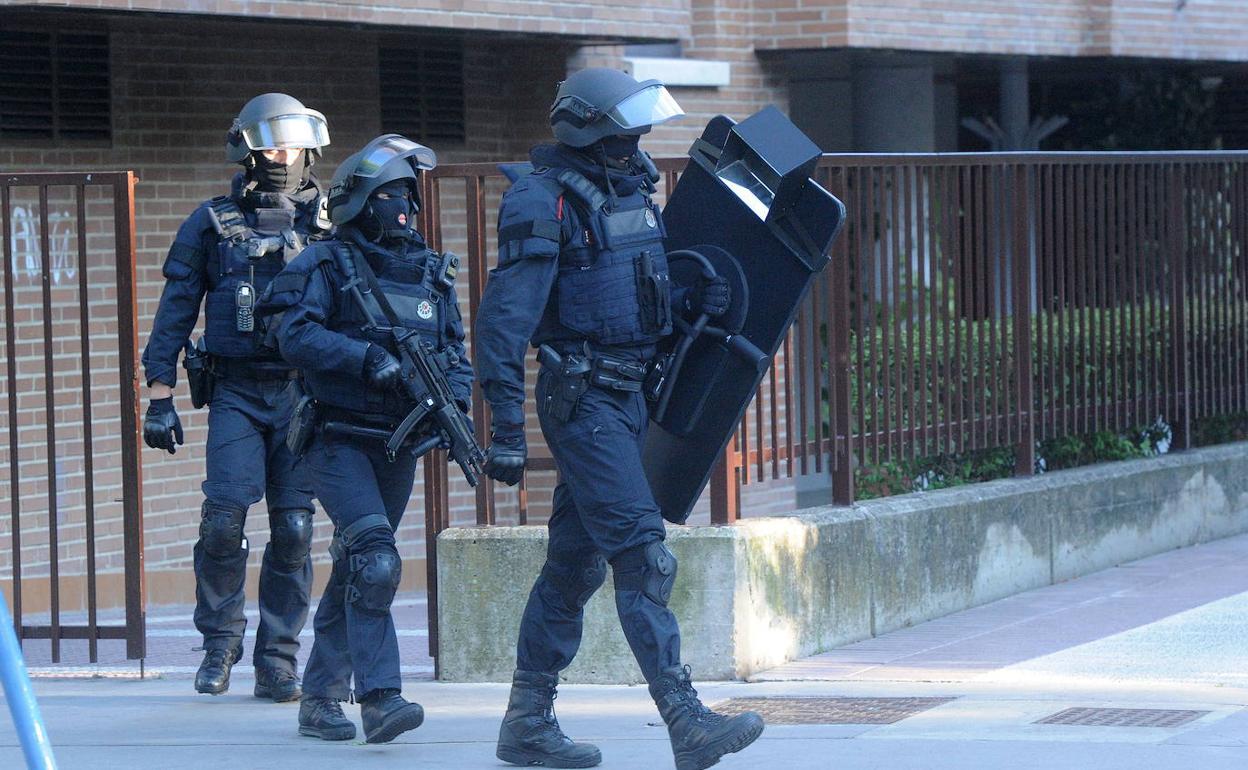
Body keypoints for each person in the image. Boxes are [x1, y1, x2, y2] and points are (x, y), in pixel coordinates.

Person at [474, 68, 764, 770]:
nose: (636, 145)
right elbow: (501, 326)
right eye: (625, 133)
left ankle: (526, 723)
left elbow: (638, 294)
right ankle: (686, 720)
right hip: (584, 404)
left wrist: (695, 293)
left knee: (574, 568)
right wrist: (506, 430)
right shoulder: (543, 203)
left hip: (630, 399)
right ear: (589, 132)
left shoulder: (629, 193)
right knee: (644, 555)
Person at [262, 134, 474, 744]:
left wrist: (452, 396)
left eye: (409, 195)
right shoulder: (325, 264)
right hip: (336, 438)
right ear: (360, 202)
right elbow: (292, 335)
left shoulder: (431, 271)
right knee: (378, 561)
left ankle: (321, 697)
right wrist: (364, 359)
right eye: (390, 196)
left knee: (360, 566)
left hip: (396, 445)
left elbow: (455, 352)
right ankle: (381, 699)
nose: (404, 209)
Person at [140, 93, 330, 701]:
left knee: (295, 529)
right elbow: (175, 310)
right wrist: (160, 394)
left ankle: (278, 659)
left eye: (292, 146)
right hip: (238, 394)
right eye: (270, 146)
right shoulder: (211, 222)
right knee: (224, 524)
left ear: (309, 149)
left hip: (304, 396)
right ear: (247, 149)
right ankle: (220, 645)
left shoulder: (330, 223)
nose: (282, 156)